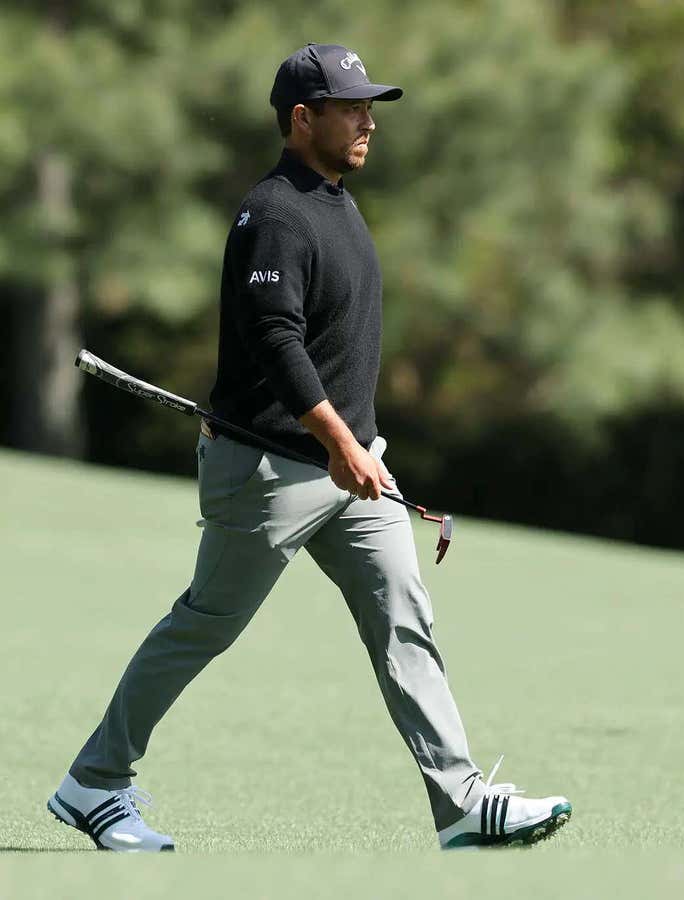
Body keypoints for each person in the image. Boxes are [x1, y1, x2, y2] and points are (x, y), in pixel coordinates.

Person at [46, 44, 570, 851]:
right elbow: (275, 338)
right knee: (205, 625)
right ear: (302, 118)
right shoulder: (275, 215)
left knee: (404, 615)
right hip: (270, 472)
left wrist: (357, 449)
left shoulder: (334, 203)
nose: (367, 121)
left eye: (370, 108)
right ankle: (94, 783)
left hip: (350, 466)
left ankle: (460, 799)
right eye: (351, 107)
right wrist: (338, 442)